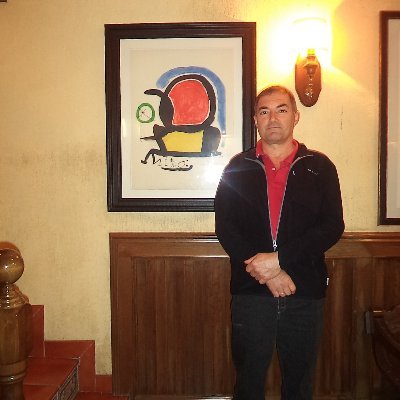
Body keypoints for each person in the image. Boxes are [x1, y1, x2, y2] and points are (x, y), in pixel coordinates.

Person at [214, 85, 344, 400]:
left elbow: (332, 226)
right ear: (256, 120)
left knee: (299, 385)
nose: (273, 118)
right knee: (248, 383)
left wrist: (279, 260)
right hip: (251, 291)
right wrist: (268, 272)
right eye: (264, 111)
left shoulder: (320, 167)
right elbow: (226, 227)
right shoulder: (237, 167)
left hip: (304, 291)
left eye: (281, 110)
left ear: (295, 116)